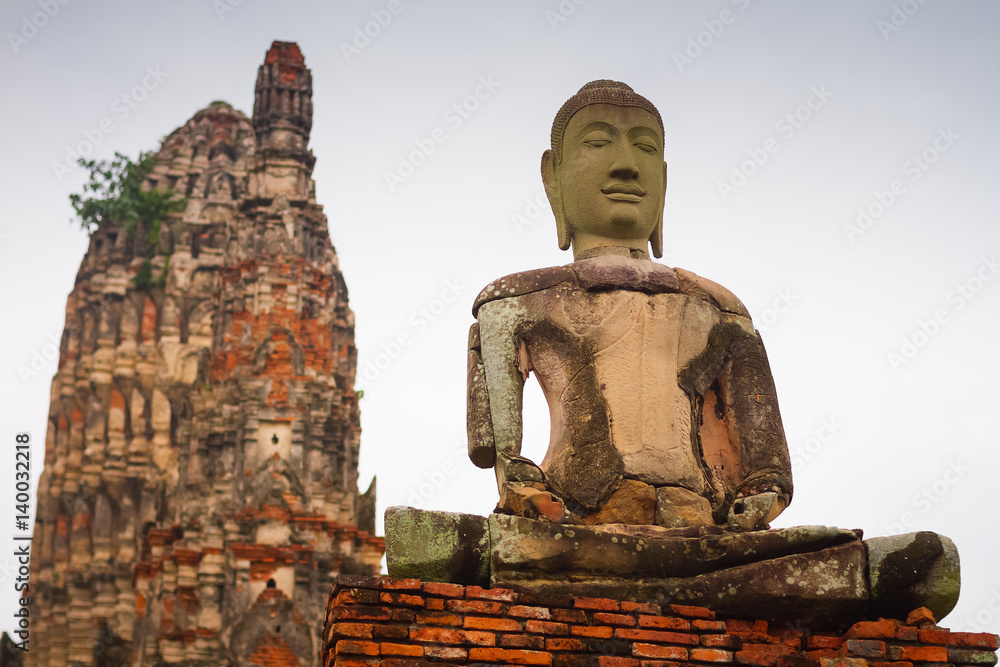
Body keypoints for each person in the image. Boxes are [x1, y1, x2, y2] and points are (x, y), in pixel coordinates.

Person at [467, 80, 790, 531]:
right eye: (597, 142)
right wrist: (529, 494)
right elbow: (503, 460)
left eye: (643, 148)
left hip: (698, 518)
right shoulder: (513, 304)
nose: (625, 167)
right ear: (553, 179)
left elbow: (769, 472)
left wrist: (760, 498)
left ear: (664, 178)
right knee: (444, 543)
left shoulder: (721, 310)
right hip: (572, 515)